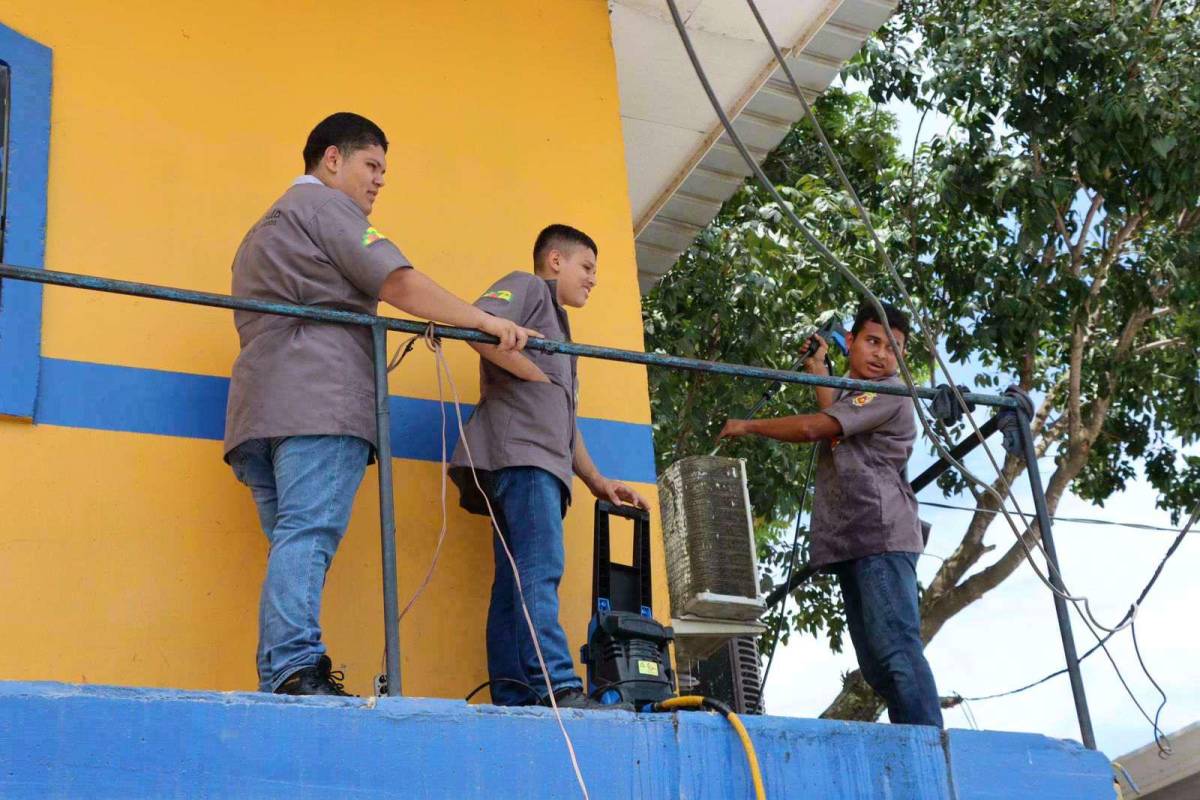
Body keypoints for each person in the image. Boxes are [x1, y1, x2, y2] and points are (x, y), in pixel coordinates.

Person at [224, 112, 537, 696]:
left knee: (294, 540)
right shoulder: (325, 209)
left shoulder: (260, 232)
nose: (379, 181)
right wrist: (483, 320)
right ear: (332, 159)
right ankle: (293, 667)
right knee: (309, 534)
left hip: (258, 409)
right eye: (372, 166)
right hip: (319, 400)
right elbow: (398, 282)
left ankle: (284, 670)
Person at [449, 224, 648, 710]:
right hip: (524, 459)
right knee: (540, 571)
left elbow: (562, 417)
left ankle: (515, 694)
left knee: (514, 581)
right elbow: (480, 324)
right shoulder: (529, 286)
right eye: (587, 267)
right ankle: (557, 685)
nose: (593, 280)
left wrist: (598, 480)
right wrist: (530, 368)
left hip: (538, 460)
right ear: (555, 261)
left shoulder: (557, 323)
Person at [718, 301, 943, 727]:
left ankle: (927, 744)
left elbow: (813, 427)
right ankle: (909, 735)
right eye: (873, 342)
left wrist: (748, 426)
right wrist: (818, 364)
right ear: (852, 341)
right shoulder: (857, 395)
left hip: (882, 537)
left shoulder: (890, 393)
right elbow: (832, 408)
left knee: (896, 648)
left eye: (893, 348)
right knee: (876, 665)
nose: (881, 354)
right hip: (855, 542)